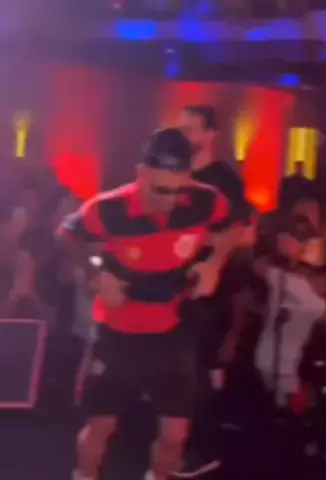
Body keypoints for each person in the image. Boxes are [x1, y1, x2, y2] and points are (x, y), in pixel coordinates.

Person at [56, 128, 234, 480]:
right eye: (160, 190)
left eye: (178, 189)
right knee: (101, 427)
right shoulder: (108, 208)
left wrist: (214, 263)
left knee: (175, 436)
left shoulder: (204, 200)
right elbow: (66, 236)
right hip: (117, 334)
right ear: (141, 173)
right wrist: (94, 274)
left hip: (172, 334)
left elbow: (237, 225)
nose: (170, 199)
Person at [173, 105, 252, 477]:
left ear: (209, 135)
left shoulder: (222, 178)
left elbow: (242, 230)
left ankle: (202, 450)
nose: (183, 134)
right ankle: (179, 443)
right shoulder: (177, 175)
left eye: (191, 128)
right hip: (174, 285)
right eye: (180, 128)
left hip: (206, 290)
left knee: (195, 367)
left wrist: (213, 261)